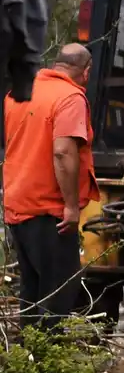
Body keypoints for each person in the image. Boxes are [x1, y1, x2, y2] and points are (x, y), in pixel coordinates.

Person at [2, 44, 98, 329]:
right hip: (49, 210)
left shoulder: (18, 94)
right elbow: (63, 153)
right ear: (87, 71)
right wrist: (70, 206)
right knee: (58, 294)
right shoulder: (70, 98)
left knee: (32, 293)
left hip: (18, 205)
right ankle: (47, 365)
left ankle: (27, 362)